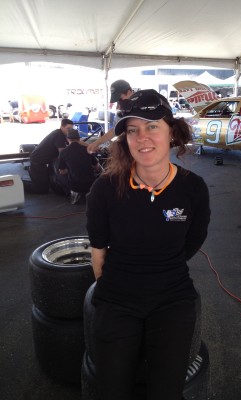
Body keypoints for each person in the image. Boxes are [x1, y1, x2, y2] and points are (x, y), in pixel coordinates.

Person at [86, 89, 210, 400]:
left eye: (152, 126)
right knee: (111, 391)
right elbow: (98, 252)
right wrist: (117, 291)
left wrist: (160, 268)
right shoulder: (105, 189)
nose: (143, 137)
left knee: (165, 393)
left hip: (172, 298)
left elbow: (193, 240)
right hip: (117, 298)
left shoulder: (193, 189)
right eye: (133, 129)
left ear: (172, 132)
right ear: (125, 138)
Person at [24, 118, 74, 194]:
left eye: (71, 129)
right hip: (37, 162)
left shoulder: (63, 134)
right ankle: (20, 184)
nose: (70, 130)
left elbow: (76, 141)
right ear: (62, 127)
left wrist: (90, 146)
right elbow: (62, 154)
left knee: (47, 185)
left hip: (45, 162)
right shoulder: (59, 135)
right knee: (42, 190)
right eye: (68, 128)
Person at [86, 79, 133, 154]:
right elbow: (115, 129)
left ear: (129, 92)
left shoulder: (144, 105)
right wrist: (97, 143)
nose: (119, 102)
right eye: (117, 100)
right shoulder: (122, 109)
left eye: (120, 99)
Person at [58, 129, 100, 204]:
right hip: (90, 184)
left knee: (60, 175)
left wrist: (70, 169)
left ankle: (69, 193)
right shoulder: (87, 149)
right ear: (79, 139)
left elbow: (62, 171)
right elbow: (97, 167)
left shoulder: (63, 152)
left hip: (75, 186)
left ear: (67, 139)